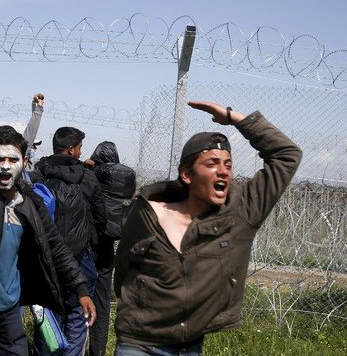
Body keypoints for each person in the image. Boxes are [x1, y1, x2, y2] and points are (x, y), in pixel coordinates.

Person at [113, 101, 302, 355]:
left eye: (228, 165)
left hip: (190, 345)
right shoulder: (149, 212)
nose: (223, 171)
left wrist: (234, 118)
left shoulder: (242, 211)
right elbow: (123, 269)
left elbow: (287, 155)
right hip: (139, 341)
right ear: (187, 175)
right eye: (212, 163)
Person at [0, 113, 96, 355]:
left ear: (24, 162)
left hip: (9, 310)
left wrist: (80, 288)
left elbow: (55, 245)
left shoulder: (30, 203)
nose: (5, 165)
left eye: (12, 159)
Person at [32, 126, 107, 356]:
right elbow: (100, 218)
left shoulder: (39, 175)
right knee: (79, 313)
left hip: (47, 257)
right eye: (80, 147)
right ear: (72, 149)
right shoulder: (88, 178)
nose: (81, 152)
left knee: (49, 315)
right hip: (81, 257)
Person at [84, 141, 136, 356]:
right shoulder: (124, 178)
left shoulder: (91, 175)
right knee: (102, 302)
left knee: (82, 297)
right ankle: (98, 351)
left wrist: (87, 167)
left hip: (87, 244)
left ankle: (76, 348)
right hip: (108, 247)